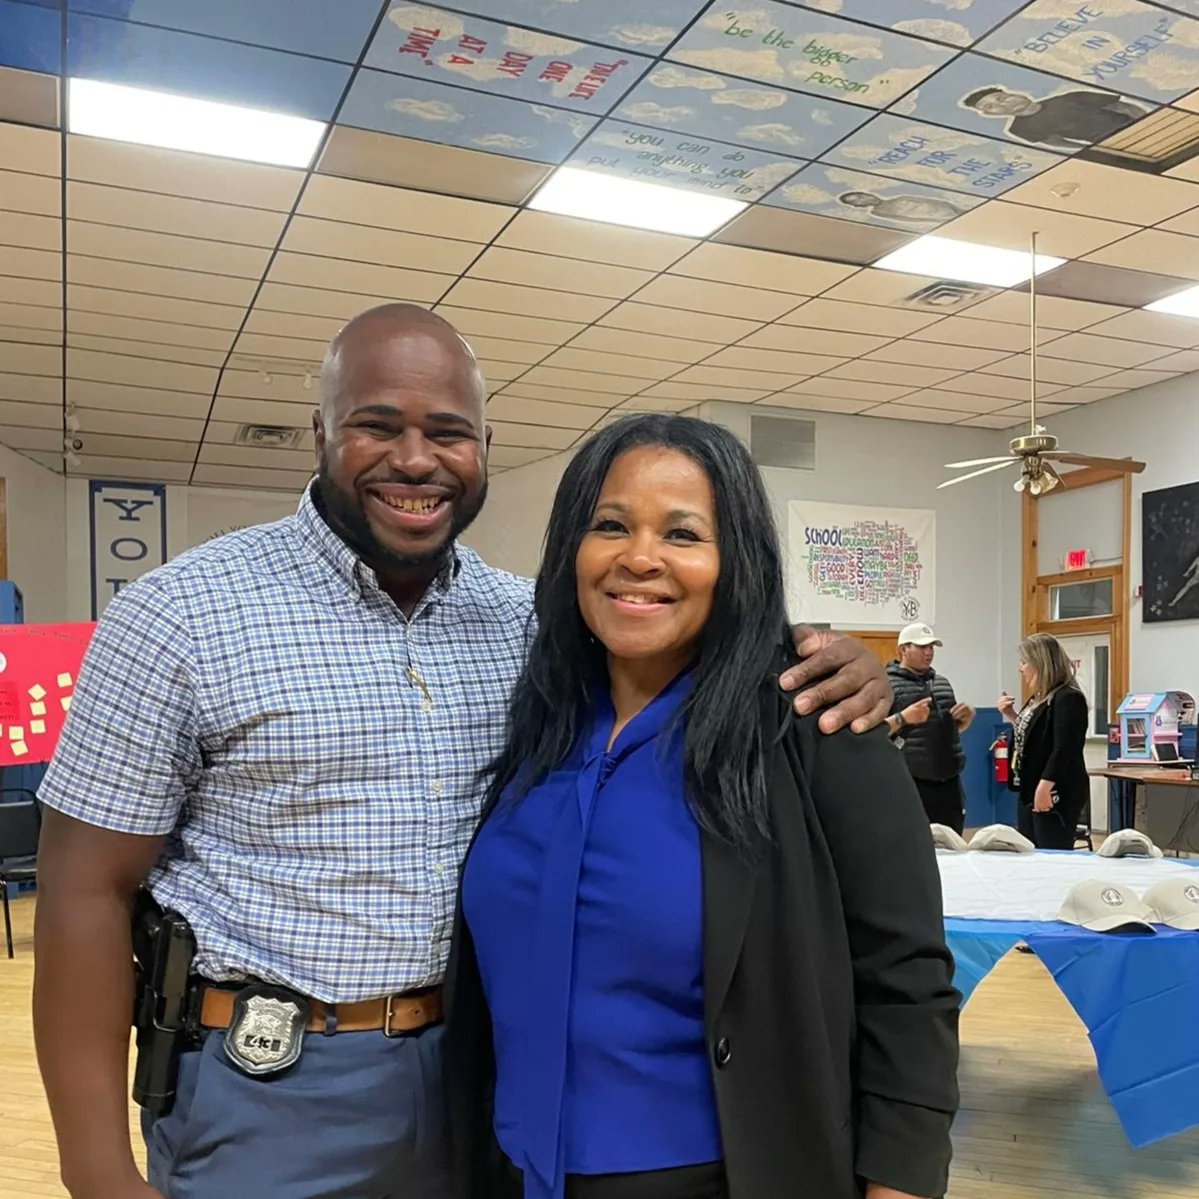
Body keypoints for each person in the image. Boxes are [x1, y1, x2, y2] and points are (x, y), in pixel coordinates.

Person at [32, 304, 892, 1199]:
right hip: (273, 1089)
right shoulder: (180, 615)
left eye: (446, 432)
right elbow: (85, 888)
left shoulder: (534, 628)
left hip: (489, 1083)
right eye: (376, 425)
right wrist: (95, 1168)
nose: (415, 460)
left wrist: (835, 661)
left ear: (483, 445)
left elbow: (688, 638)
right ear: (320, 432)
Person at [446, 415, 960, 1199]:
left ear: (734, 562)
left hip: (715, 1175)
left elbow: (906, 979)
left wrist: (899, 1183)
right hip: (512, 1168)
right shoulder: (537, 721)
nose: (639, 556)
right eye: (609, 525)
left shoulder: (815, 726)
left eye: (682, 533)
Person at [997, 632, 1089, 850]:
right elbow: (1034, 736)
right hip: (1029, 785)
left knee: (1050, 851)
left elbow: (1065, 747)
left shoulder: (1068, 698)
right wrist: (1012, 716)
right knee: (1029, 850)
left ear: (1040, 663)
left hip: (1055, 788)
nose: (1020, 669)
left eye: (1024, 662)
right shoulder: (1038, 697)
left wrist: (1046, 785)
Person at [885, 623, 974, 835]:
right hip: (909, 782)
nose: (929, 652)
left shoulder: (942, 683)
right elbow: (874, 733)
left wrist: (966, 718)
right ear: (903, 649)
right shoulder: (886, 685)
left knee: (952, 842)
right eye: (922, 647)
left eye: (931, 647)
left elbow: (953, 730)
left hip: (948, 783)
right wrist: (904, 718)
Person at [961, 85, 1149, 151]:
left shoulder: (1070, 98)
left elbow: (1125, 107)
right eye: (990, 107)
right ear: (989, 115)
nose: (1004, 104)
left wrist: (1147, 125)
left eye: (1001, 98)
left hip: (1136, 127)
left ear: (1015, 93)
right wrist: (1095, 150)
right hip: (1112, 145)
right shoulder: (1018, 130)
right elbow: (1056, 142)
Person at [837, 189, 963, 226]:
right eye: (857, 200)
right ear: (857, 206)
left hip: (950, 211)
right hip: (943, 219)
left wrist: (958, 210)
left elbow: (935, 201)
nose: (864, 198)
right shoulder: (879, 213)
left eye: (861, 195)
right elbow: (912, 220)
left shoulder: (900, 198)